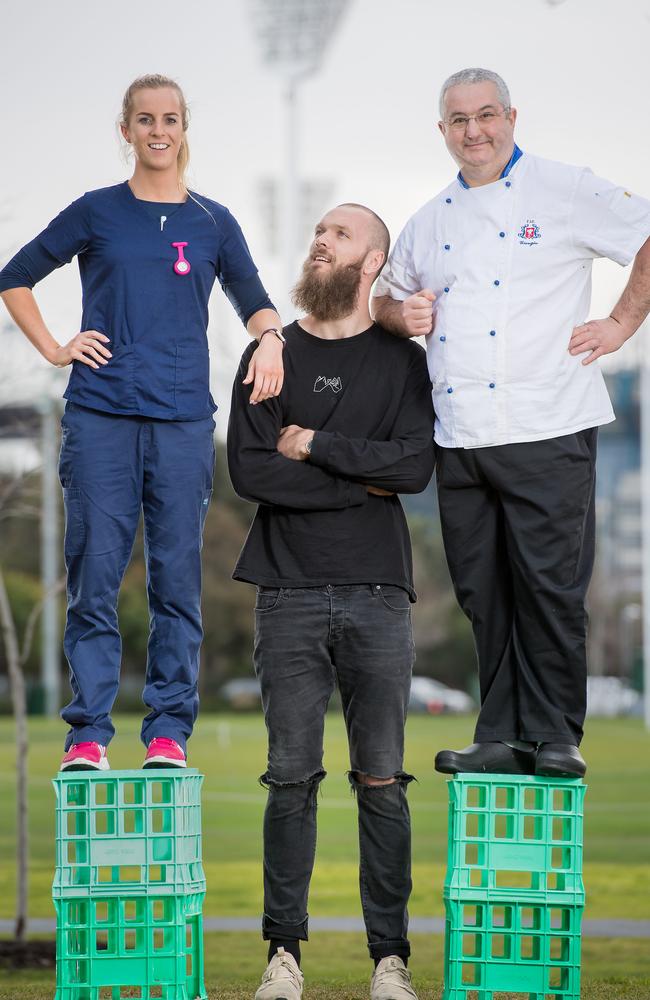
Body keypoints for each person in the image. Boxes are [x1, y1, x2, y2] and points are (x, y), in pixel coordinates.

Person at [0, 74, 285, 772]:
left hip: (183, 421)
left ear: (186, 128)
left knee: (175, 581)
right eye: (145, 119)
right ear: (125, 130)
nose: (160, 130)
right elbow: (15, 275)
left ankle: (167, 732)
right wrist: (55, 346)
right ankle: (89, 734)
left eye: (172, 119)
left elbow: (254, 298)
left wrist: (272, 337)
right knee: (95, 575)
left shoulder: (213, 222)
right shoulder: (97, 212)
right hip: (100, 416)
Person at [374, 67, 650, 779]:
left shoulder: (565, 189)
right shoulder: (431, 219)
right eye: (460, 120)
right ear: (443, 131)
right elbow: (383, 296)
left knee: (550, 589)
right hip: (461, 436)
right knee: (483, 592)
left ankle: (556, 735)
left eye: (487, 115)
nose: (475, 131)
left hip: (549, 424)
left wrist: (622, 321)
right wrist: (397, 313)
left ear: (512, 117)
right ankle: (499, 734)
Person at [227, 203, 435, 1000]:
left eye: (340, 234)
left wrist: (313, 443)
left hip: (381, 593)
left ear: (372, 261)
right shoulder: (268, 353)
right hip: (288, 591)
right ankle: (285, 958)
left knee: (381, 779)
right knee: (290, 778)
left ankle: (391, 962)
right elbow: (252, 472)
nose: (322, 241)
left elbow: (414, 469)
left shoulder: (402, 362)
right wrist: (362, 478)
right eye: (318, 232)